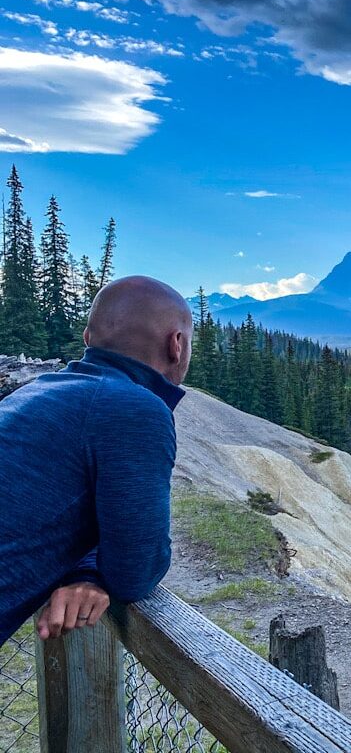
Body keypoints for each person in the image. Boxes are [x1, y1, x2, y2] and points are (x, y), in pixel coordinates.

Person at [0, 276, 191, 644]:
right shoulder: (134, 409)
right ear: (176, 345)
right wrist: (96, 572)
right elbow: (136, 569)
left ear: (88, 338)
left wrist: (85, 571)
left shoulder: (36, 392)